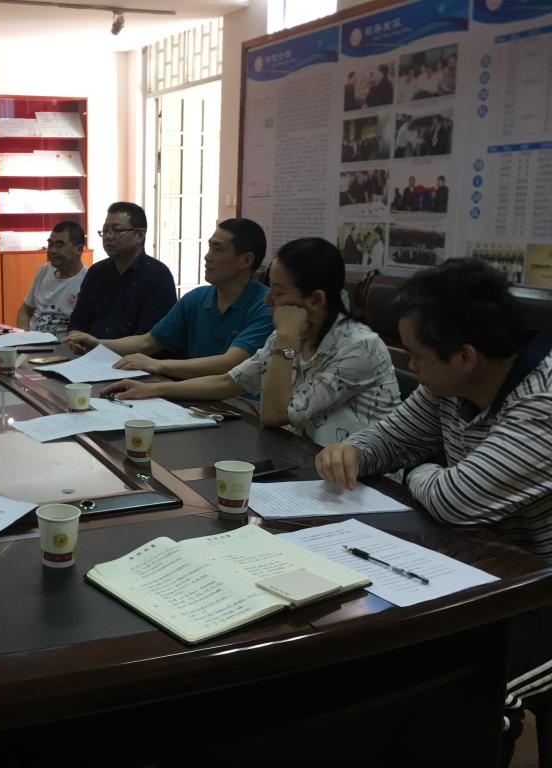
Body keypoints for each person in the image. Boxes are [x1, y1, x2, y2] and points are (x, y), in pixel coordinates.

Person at [314, 259, 552, 764]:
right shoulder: (451, 386)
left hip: (541, 588)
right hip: (490, 567)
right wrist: (352, 451)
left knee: (466, 683)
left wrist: (419, 470)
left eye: (417, 356)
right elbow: (387, 440)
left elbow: (453, 499)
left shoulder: (543, 403)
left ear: (465, 356)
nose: (411, 366)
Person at [101, 237, 401, 446]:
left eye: (279, 292)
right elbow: (229, 382)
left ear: (316, 300)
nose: (268, 300)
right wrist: (153, 389)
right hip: (304, 457)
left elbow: (274, 415)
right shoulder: (291, 332)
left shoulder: (358, 346)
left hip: (365, 483)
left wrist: (285, 342)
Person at [66, 219, 274, 379]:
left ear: (246, 260)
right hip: (194, 394)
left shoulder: (267, 305)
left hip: (241, 404)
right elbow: (147, 342)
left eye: (217, 249)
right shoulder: (197, 298)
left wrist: (157, 365)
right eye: (209, 247)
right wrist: (97, 343)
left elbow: (230, 363)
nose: (207, 256)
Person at [65, 201, 176, 343]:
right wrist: (76, 339)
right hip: (90, 352)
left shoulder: (158, 276)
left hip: (136, 356)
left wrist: (96, 345)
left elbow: (148, 341)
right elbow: (77, 321)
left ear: (140, 235)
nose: (108, 236)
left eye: (117, 230)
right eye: (105, 231)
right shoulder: (96, 272)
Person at [16, 221, 88, 337]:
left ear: (79, 249)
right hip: (32, 341)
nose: (53, 250)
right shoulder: (43, 270)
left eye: (59, 245)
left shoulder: (88, 280)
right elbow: (24, 311)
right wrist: (24, 336)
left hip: (63, 345)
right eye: (50, 244)